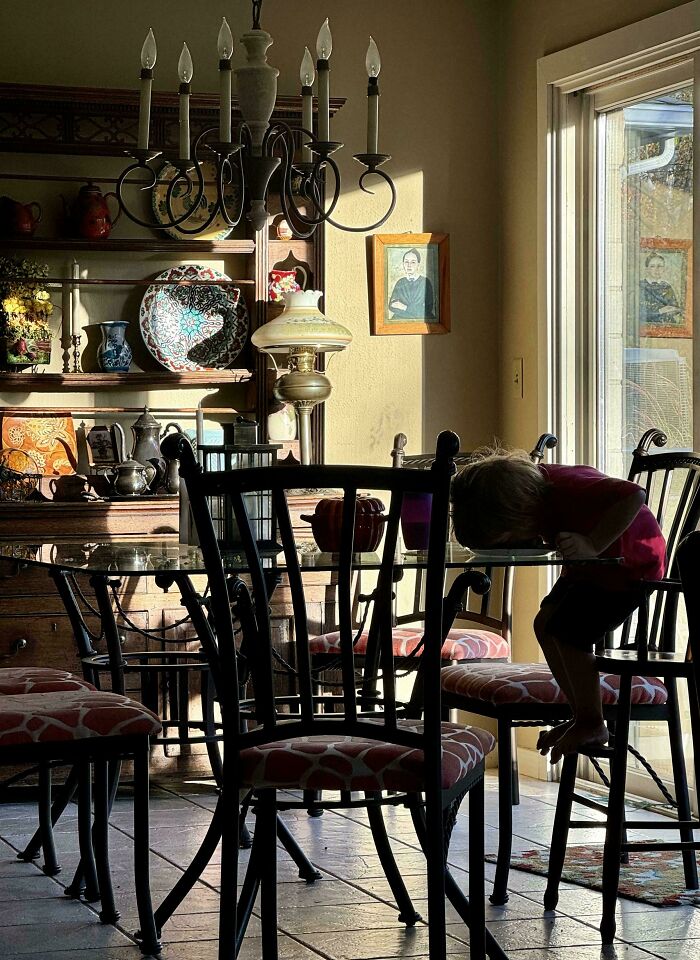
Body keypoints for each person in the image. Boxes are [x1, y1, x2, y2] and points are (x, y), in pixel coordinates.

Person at [450, 447, 666, 763]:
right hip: (590, 569)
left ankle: (593, 722)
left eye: (510, 537)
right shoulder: (535, 492)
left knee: (569, 634)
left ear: (518, 511)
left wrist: (593, 544)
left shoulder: (568, 488)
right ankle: (583, 714)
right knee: (544, 623)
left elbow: (635, 495)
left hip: (628, 567)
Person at [388, 247, 435, 320]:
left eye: (413, 262)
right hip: (401, 319)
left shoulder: (425, 282)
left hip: (422, 320)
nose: (409, 265)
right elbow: (392, 306)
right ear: (403, 264)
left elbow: (427, 309)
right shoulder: (400, 282)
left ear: (418, 265)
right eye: (406, 262)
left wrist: (404, 307)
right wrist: (415, 310)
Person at [640, 253, 683, 326]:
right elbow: (638, 314)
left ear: (664, 269)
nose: (657, 269)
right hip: (647, 326)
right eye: (652, 266)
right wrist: (660, 311)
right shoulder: (640, 286)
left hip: (667, 325)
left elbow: (675, 306)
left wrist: (673, 310)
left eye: (660, 266)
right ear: (647, 269)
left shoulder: (666, 286)